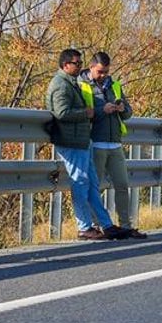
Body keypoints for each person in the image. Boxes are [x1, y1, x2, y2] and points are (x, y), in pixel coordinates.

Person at [45, 48, 121, 241]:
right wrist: (86, 113)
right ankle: (84, 227)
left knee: (92, 183)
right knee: (80, 182)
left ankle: (106, 224)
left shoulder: (71, 83)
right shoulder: (60, 84)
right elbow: (61, 112)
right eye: (76, 63)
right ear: (65, 65)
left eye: (80, 63)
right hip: (71, 141)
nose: (80, 66)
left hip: (82, 140)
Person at [87, 52, 146, 239]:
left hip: (115, 143)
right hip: (95, 142)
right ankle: (97, 226)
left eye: (106, 71)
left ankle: (125, 225)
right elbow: (83, 112)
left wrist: (122, 109)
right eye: (100, 71)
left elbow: (128, 113)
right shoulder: (82, 86)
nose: (103, 75)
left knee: (122, 185)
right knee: (94, 187)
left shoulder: (115, 85)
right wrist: (101, 110)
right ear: (91, 68)